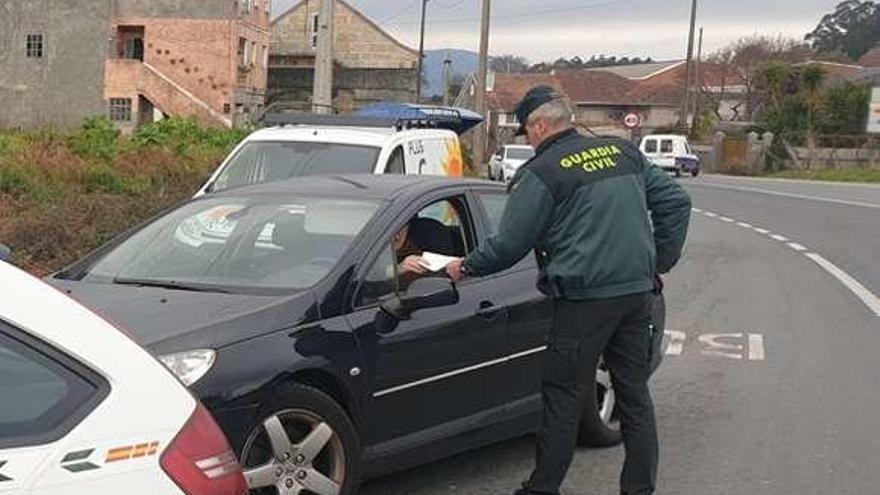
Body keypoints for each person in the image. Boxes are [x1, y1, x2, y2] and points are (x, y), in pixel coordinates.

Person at [447, 85, 692, 495]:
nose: (529, 141)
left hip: (584, 303)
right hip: (636, 297)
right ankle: (639, 489)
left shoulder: (544, 172)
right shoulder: (623, 153)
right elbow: (676, 203)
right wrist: (656, 265)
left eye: (527, 132)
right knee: (634, 396)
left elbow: (509, 245)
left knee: (563, 396)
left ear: (540, 124)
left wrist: (463, 266)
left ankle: (543, 488)